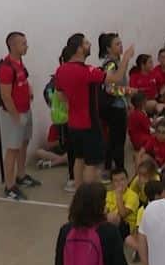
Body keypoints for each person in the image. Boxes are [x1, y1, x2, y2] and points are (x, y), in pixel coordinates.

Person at [55, 34, 133, 186]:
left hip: (73, 124)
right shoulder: (87, 71)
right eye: (86, 43)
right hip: (89, 124)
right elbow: (116, 78)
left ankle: (79, 191)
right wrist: (126, 58)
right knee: (92, 164)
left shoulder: (61, 70)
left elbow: (60, 96)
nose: (89, 44)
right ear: (78, 49)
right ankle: (89, 197)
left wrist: (75, 103)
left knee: (78, 159)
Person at [0, 31, 40, 200]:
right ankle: (9, 187)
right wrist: (16, 117)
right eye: (23, 43)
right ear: (13, 46)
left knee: (24, 143)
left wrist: (29, 90)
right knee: (12, 150)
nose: (26, 46)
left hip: (26, 110)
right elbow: (5, 96)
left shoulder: (19, 63)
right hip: (14, 115)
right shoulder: (5, 69)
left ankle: (21, 176)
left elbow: (24, 79)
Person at [98, 32, 131, 174]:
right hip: (114, 108)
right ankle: (119, 170)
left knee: (113, 139)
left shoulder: (117, 62)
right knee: (118, 141)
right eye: (117, 44)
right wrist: (128, 92)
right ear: (108, 49)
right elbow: (110, 89)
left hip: (119, 105)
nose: (121, 46)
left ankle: (109, 167)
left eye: (120, 43)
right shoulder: (111, 65)